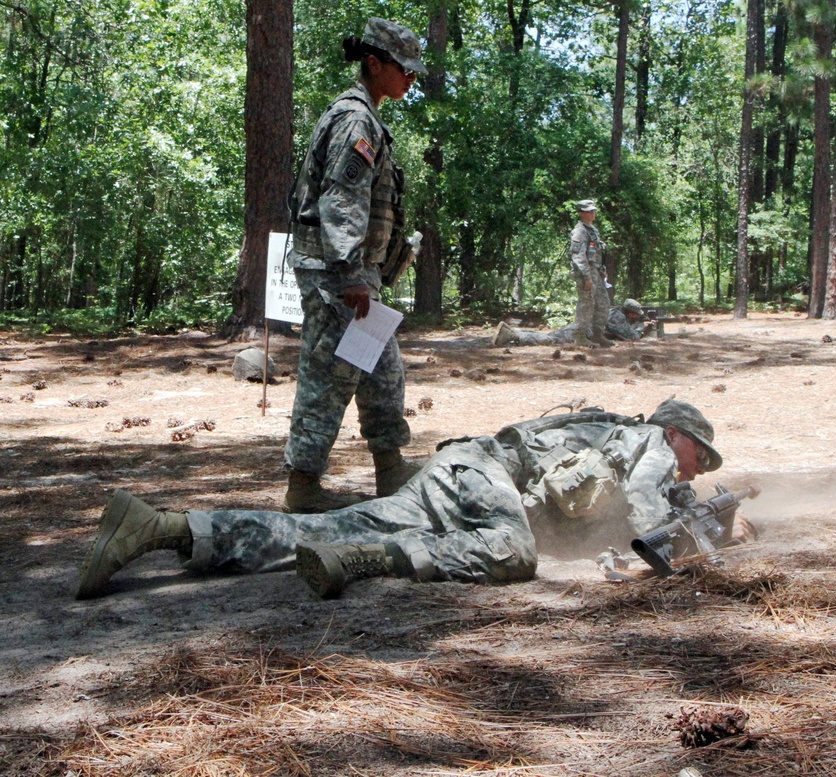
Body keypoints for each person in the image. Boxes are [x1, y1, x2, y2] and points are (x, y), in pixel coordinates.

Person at [76, 400, 754, 600]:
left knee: (312, 527)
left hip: (461, 476)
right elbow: (643, 515)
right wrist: (710, 533)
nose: (696, 469)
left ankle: (161, 527)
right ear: (676, 434)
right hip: (482, 477)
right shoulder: (651, 445)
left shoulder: (611, 434)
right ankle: (369, 558)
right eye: (700, 455)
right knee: (516, 555)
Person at [282, 18, 426, 515]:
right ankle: (302, 485)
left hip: (356, 274)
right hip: (336, 275)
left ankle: (390, 469)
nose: (411, 78)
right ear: (373, 64)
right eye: (403, 69)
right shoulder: (354, 121)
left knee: (382, 371)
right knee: (330, 374)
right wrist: (348, 274)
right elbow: (340, 201)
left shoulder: (369, 118)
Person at [493, 299, 653, 347]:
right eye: (635, 315)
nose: (636, 317)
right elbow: (630, 336)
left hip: (579, 327)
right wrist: (643, 329)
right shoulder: (617, 317)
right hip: (583, 332)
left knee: (550, 336)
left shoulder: (613, 312)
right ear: (630, 312)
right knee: (552, 340)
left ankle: (512, 333)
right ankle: (513, 335)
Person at [569, 200, 612, 348]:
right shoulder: (579, 231)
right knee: (586, 304)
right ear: (581, 213)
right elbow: (578, 256)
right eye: (588, 211)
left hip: (596, 273)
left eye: (593, 211)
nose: (592, 214)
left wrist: (602, 271)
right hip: (586, 274)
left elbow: (598, 253)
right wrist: (587, 277)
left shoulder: (592, 230)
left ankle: (598, 334)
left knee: (602, 303)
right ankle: (580, 337)